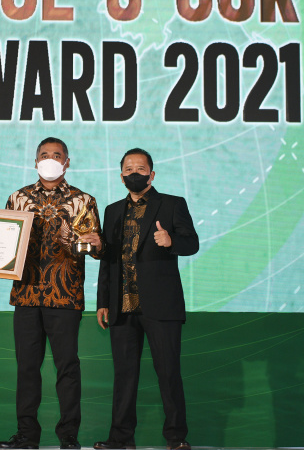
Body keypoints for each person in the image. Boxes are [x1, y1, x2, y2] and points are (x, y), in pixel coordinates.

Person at [0, 137, 104, 450]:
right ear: (35, 161)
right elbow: (3, 246)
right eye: (44, 155)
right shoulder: (17, 198)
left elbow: (95, 248)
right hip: (26, 296)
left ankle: (68, 435)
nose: (50, 160)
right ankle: (26, 435)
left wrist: (96, 244)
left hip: (65, 296)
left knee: (67, 367)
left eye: (57, 155)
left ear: (67, 162)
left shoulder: (84, 200)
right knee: (27, 368)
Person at [94, 148, 199, 450]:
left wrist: (171, 241)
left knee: (168, 373)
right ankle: (120, 438)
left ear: (152, 175)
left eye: (140, 169)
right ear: (121, 176)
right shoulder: (113, 211)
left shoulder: (172, 204)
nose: (134, 173)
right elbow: (108, 259)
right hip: (122, 305)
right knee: (124, 377)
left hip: (161, 306)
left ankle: (176, 438)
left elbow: (192, 243)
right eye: (129, 169)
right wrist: (103, 301)